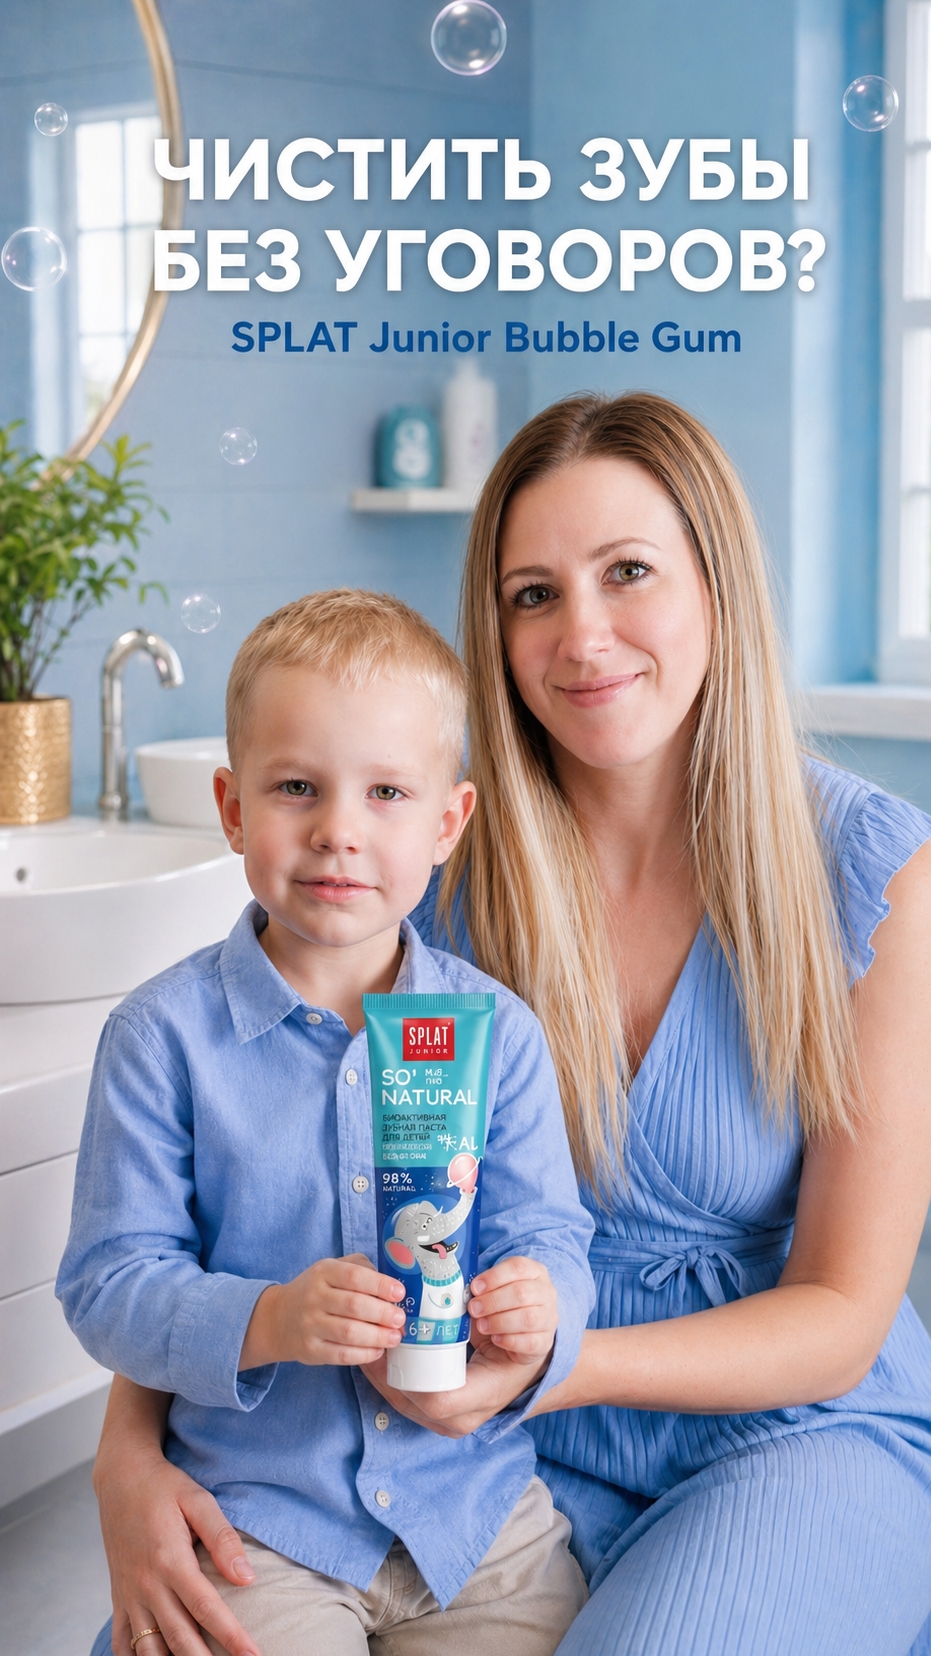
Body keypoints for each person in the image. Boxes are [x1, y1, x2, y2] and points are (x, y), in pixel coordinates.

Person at [87, 394, 931, 1656]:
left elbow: (843, 1311)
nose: (581, 636)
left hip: (787, 1432)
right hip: (480, 1461)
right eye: (533, 594)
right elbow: (250, 1161)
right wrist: (126, 1457)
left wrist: (554, 1368)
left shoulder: (869, 872)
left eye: (627, 572)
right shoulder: (424, 868)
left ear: (717, 585)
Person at [60, 590, 594, 1656]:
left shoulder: (497, 1035)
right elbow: (109, 1283)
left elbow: (552, 1235)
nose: (338, 831)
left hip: (477, 1523)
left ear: (448, 823)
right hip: (260, 1526)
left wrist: (542, 1303)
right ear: (231, 808)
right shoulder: (161, 1039)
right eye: (296, 787)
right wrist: (267, 1319)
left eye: (387, 792)